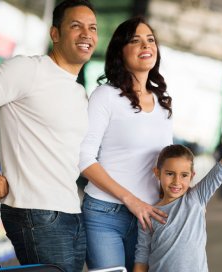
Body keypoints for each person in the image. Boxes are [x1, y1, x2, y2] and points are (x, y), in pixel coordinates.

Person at [0, 1, 98, 271]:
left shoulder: (77, 92)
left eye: (92, 28)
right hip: (35, 212)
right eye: (76, 26)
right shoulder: (29, 70)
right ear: (55, 34)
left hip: (71, 211)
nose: (87, 34)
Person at [78, 17, 172, 271]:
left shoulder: (163, 105)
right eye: (135, 40)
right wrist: (130, 199)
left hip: (150, 216)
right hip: (105, 214)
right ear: (121, 51)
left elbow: (168, 165)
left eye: (150, 40)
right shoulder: (105, 96)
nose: (146, 45)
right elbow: (84, 158)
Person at [134, 116, 222, 272]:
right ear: (157, 173)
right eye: (169, 174)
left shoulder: (196, 198)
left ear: (192, 176)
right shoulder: (149, 214)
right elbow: (142, 257)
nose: (176, 181)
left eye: (184, 175)